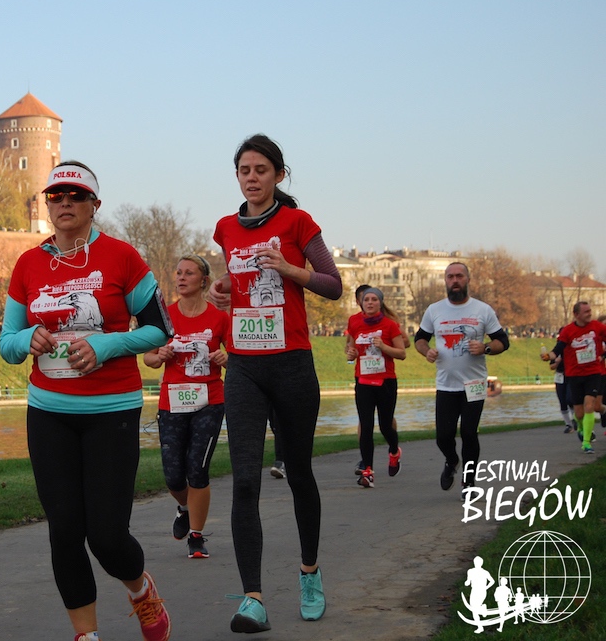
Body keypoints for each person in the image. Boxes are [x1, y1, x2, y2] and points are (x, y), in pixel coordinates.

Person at [0, 161, 174, 641]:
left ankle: (140, 589)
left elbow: (160, 329)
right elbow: (7, 344)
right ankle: (86, 635)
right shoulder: (28, 264)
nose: (65, 203)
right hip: (49, 413)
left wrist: (107, 345)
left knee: (107, 537)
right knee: (64, 531)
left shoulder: (122, 257)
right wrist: (28, 339)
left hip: (110, 411)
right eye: (55, 196)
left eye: (76, 195)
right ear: (47, 204)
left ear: (95, 205)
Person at [208, 135, 342, 630]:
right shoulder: (225, 228)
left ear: (279, 175)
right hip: (244, 365)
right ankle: (253, 599)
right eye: (244, 170)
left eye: (261, 169)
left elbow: (333, 284)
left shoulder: (298, 222)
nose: (252, 177)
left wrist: (290, 269)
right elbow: (238, 281)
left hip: (291, 364)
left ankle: (309, 572)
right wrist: (224, 288)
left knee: (299, 473)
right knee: (245, 479)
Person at [144, 254, 229, 559]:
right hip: (172, 402)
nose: (181, 277)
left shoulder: (220, 318)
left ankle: (196, 535)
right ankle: (184, 507)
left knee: (197, 469)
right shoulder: (164, 316)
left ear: (204, 281)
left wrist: (226, 358)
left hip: (209, 401)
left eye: (188, 273)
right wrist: (160, 355)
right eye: (178, 272)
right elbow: (149, 357)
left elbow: (237, 357)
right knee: (173, 475)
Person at [414, 262, 509, 499]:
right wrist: (426, 351)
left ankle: (469, 483)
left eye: (459, 276)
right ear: (445, 281)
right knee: (443, 437)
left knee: (468, 433)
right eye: (450, 277)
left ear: (468, 279)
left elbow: (502, 341)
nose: (454, 280)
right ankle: (451, 460)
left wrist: (485, 348)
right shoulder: (434, 310)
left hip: (474, 383)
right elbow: (420, 339)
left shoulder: (482, 310)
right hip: (446, 384)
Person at [343, 287, 406, 488]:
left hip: (385, 381)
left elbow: (402, 353)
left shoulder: (390, 325)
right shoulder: (354, 322)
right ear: (361, 303)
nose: (370, 302)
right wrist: (351, 354)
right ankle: (368, 471)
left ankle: (394, 451)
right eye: (366, 300)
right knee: (366, 425)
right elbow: (350, 347)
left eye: (374, 299)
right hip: (363, 381)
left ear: (380, 303)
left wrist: (384, 347)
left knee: (386, 425)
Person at [547, 301, 606, 453]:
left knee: (589, 406)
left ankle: (586, 443)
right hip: (574, 375)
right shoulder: (568, 331)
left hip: (593, 373)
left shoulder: (597, 327)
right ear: (576, 314)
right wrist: (548, 356)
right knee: (579, 413)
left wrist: (603, 355)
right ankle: (580, 427)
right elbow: (557, 350)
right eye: (586, 312)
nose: (589, 314)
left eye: (590, 311)